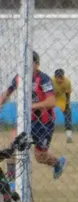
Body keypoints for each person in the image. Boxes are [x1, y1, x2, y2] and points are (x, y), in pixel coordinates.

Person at [0, 52, 66, 180]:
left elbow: (52, 102)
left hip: (44, 123)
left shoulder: (44, 79)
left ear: (37, 64)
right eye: (24, 63)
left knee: (40, 156)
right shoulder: (19, 78)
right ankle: (12, 181)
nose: (26, 67)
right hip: (26, 120)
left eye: (30, 63)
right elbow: (7, 93)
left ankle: (58, 163)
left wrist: (31, 106)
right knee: (14, 144)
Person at [51, 68, 72, 144]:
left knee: (68, 114)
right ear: (55, 77)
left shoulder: (67, 82)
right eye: (58, 78)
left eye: (61, 78)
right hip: (51, 97)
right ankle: (46, 133)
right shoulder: (50, 81)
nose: (59, 80)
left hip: (61, 99)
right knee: (47, 115)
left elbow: (67, 95)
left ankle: (69, 136)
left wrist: (67, 106)